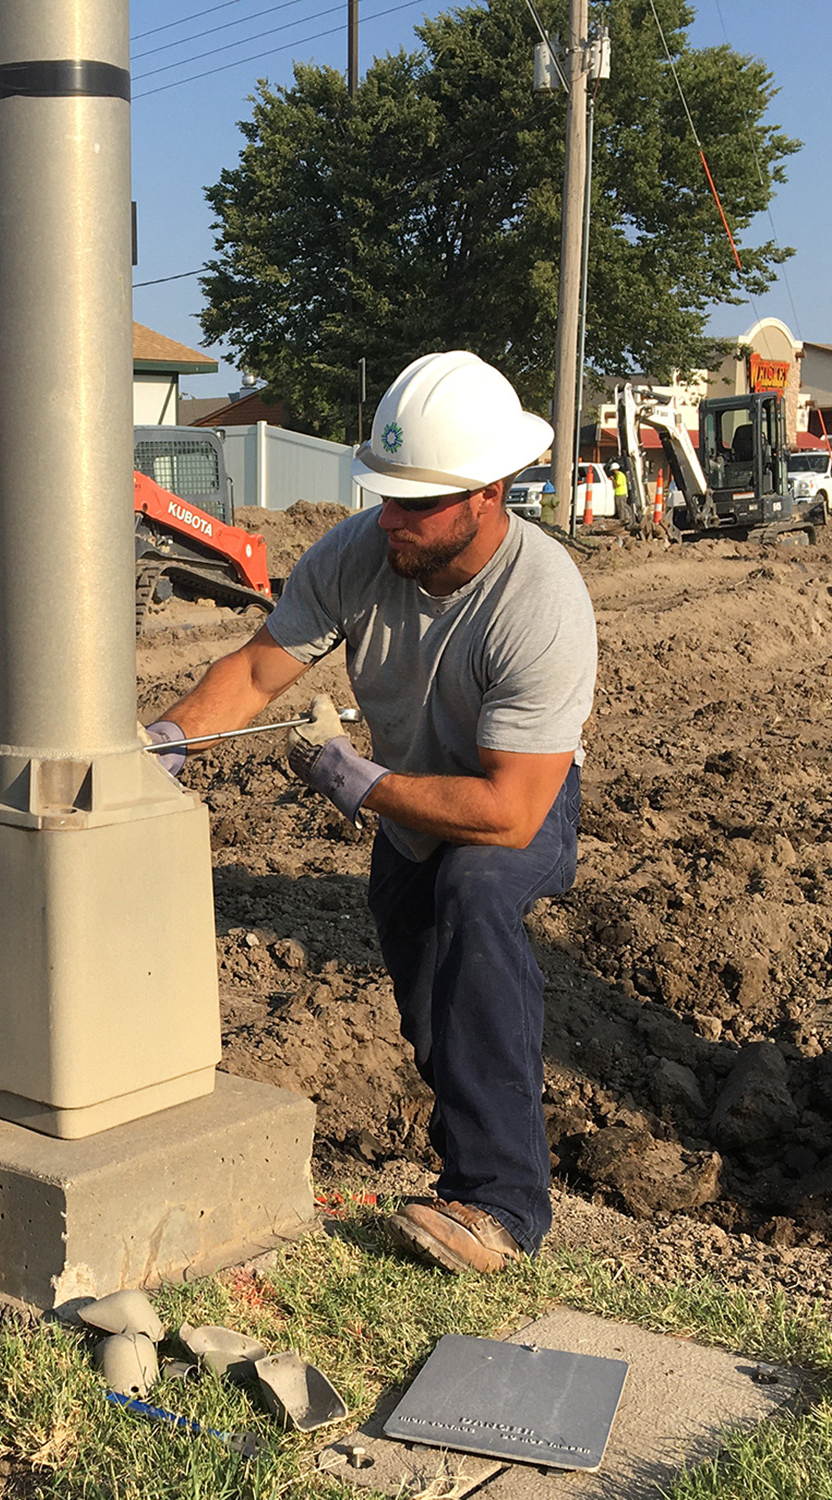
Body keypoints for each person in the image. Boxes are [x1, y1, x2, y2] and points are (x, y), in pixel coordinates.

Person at [147, 351, 596, 1275]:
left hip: (511, 803)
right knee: (433, 1014)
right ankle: (464, 1165)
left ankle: (503, 1206)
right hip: (406, 804)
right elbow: (255, 671)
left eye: (415, 502)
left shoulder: (540, 598)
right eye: (383, 492)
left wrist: (360, 783)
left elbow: (510, 811)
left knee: (475, 895)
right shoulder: (360, 552)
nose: (388, 516)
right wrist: (163, 742)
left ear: (488, 492)